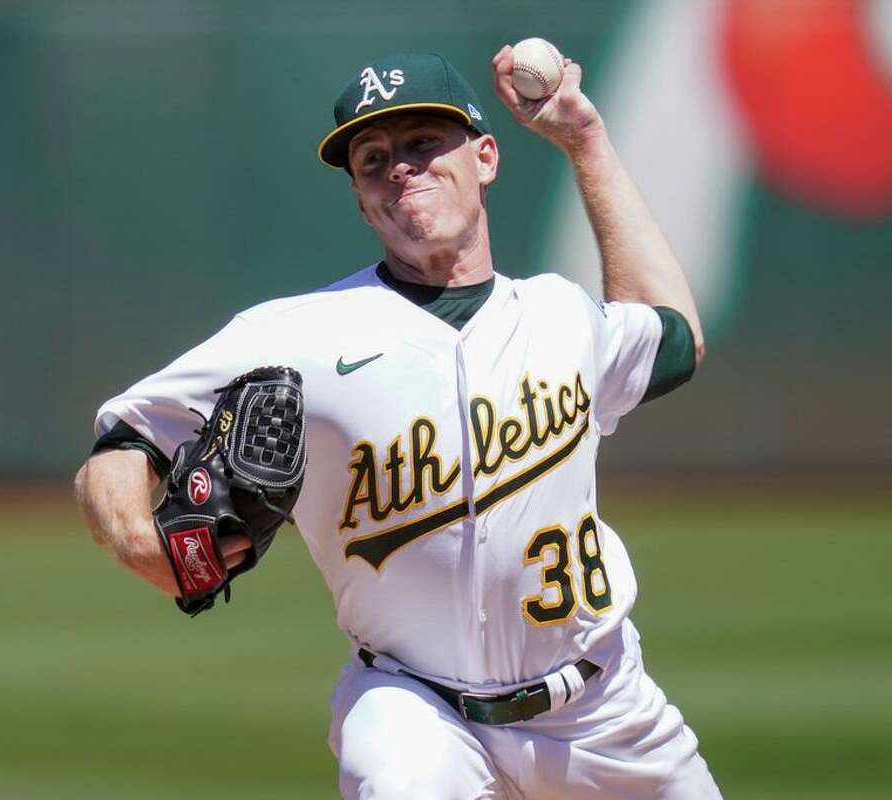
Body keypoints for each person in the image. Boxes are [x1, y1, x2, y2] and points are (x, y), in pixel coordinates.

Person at [74, 46, 722, 799]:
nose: (401, 168)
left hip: (602, 711)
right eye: (374, 157)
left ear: (485, 158)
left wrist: (585, 141)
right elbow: (122, 440)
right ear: (359, 197)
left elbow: (673, 331)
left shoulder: (561, 314)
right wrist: (139, 540)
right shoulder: (294, 335)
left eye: (423, 143)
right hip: (416, 708)